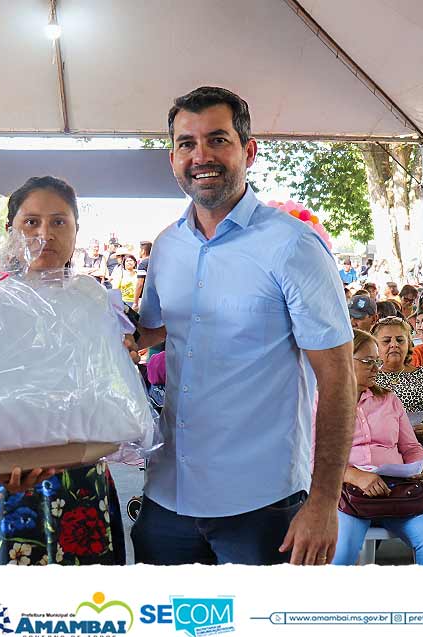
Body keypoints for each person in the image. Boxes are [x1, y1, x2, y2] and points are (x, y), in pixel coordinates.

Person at [131, 86, 355, 566]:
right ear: (173, 157)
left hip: (262, 505)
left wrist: (323, 504)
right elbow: (150, 331)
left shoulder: (293, 247)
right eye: (187, 144)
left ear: (248, 151)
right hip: (169, 494)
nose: (201, 156)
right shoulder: (167, 246)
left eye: (218, 140)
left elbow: (338, 381)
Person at [0, 176, 133, 566]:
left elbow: (114, 400)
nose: (44, 233)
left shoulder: (96, 300)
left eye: (59, 221)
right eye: (30, 222)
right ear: (10, 231)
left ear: (77, 230)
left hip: (78, 480)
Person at [328, 330, 423, 566]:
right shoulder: (321, 400)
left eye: (377, 361)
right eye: (368, 361)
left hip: (396, 490)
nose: (376, 368)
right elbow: (310, 458)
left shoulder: (388, 399)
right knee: (340, 553)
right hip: (347, 495)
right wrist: (355, 475)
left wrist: (420, 467)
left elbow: (411, 446)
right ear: (344, 359)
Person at [133, 241, 152, 310]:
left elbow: (140, 284)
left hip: (145, 299)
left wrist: (135, 302)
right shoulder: (155, 262)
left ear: (143, 251)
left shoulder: (143, 264)